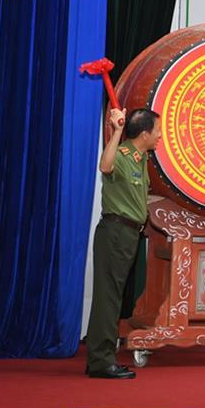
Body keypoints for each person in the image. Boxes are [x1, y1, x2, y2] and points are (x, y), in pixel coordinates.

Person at [85, 107, 161, 379]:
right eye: (157, 132)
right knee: (108, 298)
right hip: (116, 232)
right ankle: (102, 362)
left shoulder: (141, 158)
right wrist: (116, 130)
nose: (160, 137)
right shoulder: (123, 154)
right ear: (144, 134)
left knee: (111, 297)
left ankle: (98, 358)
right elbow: (105, 166)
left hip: (128, 234)